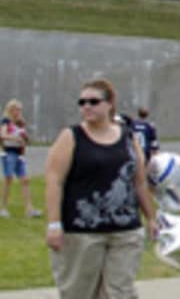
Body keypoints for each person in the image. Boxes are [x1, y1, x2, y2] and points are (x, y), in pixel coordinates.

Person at [44, 78, 157, 298]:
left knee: (120, 292)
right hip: (82, 233)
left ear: (110, 104)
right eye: (82, 102)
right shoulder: (71, 136)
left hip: (125, 231)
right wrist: (54, 224)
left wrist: (151, 218)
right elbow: (54, 180)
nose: (86, 106)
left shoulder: (128, 136)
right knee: (78, 293)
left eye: (93, 101)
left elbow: (139, 181)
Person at [1, 99, 39, 218]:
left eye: (19, 110)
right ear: (10, 110)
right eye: (15, 109)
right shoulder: (6, 121)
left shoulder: (20, 123)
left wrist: (25, 140)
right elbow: (3, 135)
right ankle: (3, 208)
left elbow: (23, 136)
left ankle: (29, 209)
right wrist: (14, 138)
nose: (17, 112)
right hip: (9, 153)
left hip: (19, 154)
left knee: (25, 180)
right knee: (8, 179)